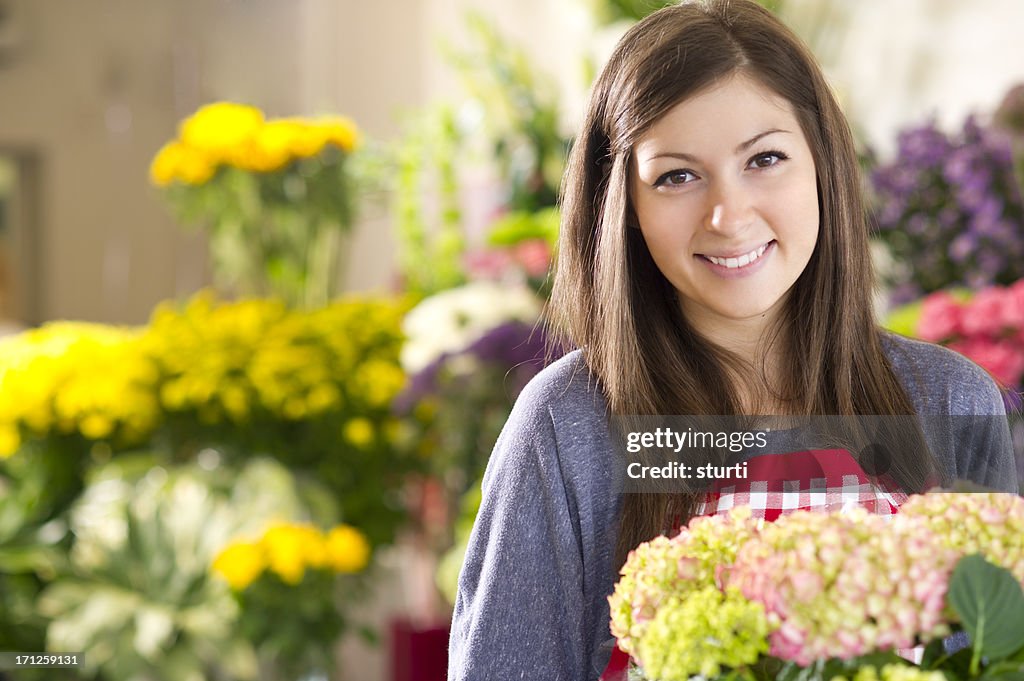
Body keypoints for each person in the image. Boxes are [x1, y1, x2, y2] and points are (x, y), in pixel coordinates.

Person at [447, 1, 1019, 680]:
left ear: (823, 166)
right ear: (623, 208)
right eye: (677, 176)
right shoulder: (567, 428)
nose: (728, 215)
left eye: (765, 158)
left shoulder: (949, 400)